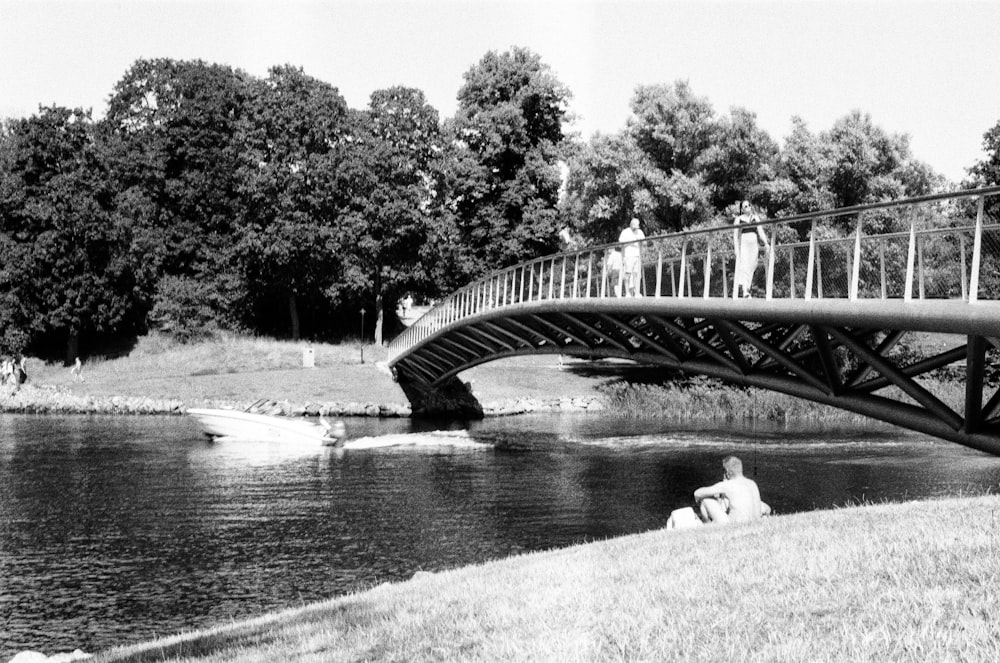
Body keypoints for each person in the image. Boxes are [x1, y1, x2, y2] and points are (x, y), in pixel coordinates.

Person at [693, 455, 766, 525]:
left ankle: (706, 524)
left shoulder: (728, 485)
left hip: (733, 524)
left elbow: (697, 493)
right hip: (754, 522)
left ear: (727, 473)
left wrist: (703, 498)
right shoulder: (752, 483)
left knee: (706, 500)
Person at [733, 201, 769, 298]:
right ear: (742, 209)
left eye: (749, 205)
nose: (748, 207)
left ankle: (747, 287)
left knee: (753, 264)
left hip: (753, 244)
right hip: (744, 243)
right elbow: (735, 235)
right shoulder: (738, 219)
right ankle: (745, 290)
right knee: (744, 264)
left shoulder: (755, 218)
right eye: (745, 206)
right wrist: (736, 249)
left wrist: (766, 243)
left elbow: (760, 231)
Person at [618, 217, 645, 297]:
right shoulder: (625, 232)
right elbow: (620, 243)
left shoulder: (640, 232)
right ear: (631, 225)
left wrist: (641, 241)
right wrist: (630, 242)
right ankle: (627, 292)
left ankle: (637, 292)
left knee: (637, 274)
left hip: (637, 255)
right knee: (628, 273)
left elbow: (644, 242)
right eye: (635, 226)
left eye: (637, 226)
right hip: (628, 255)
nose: (636, 228)